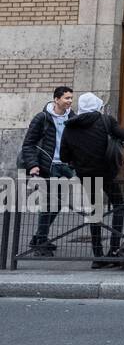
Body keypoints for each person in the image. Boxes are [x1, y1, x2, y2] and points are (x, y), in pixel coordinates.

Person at [59, 92, 124, 268]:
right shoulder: (105, 121)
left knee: (95, 212)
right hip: (107, 173)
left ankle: (98, 255)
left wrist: (78, 161)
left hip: (86, 175)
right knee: (118, 205)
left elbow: (64, 155)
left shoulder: (70, 126)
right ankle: (114, 250)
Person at [19, 85, 76, 256]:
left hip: (66, 166)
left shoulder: (72, 117)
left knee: (59, 203)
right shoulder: (42, 118)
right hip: (48, 166)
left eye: (71, 98)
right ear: (56, 99)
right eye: (67, 98)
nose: (70, 101)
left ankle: (38, 237)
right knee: (48, 203)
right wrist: (33, 165)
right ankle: (41, 243)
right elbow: (28, 144)